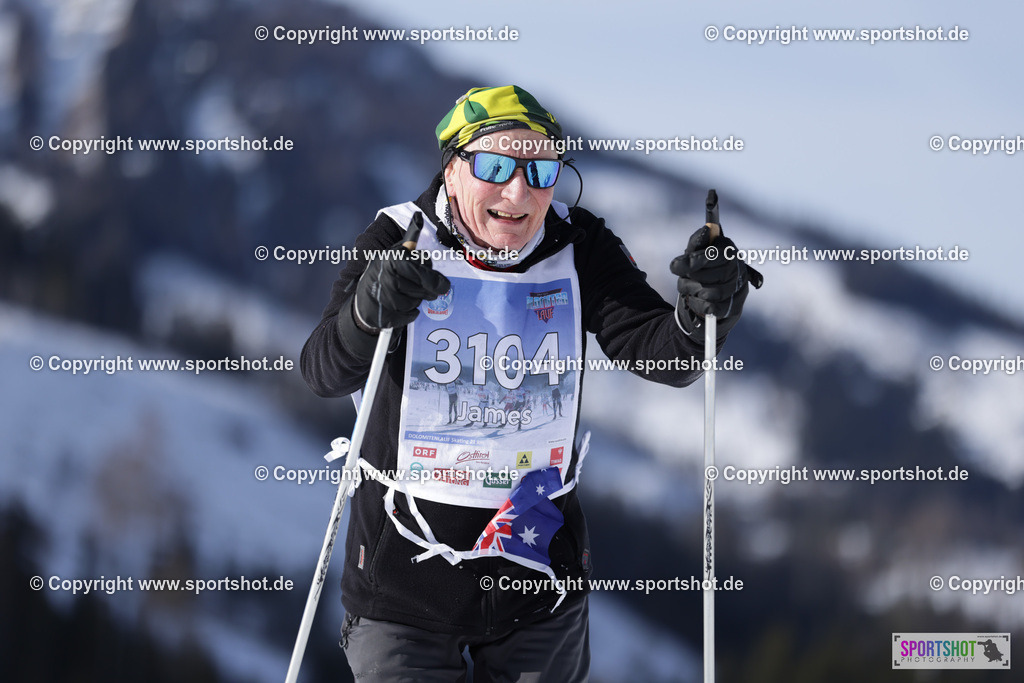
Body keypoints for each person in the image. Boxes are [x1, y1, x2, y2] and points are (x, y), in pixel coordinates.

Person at [300, 85, 754, 682]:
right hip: (406, 586)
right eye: (494, 166)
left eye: (540, 170)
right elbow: (324, 371)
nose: (518, 193)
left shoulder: (579, 244)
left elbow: (664, 357)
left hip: (537, 584)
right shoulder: (402, 241)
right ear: (452, 169)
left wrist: (702, 315)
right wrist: (367, 311)